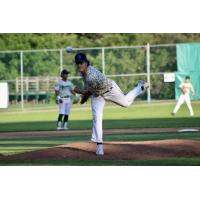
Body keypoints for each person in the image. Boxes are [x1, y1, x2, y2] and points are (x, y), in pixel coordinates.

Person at [73, 53, 149, 156]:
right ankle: (99, 145)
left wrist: (77, 91)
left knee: (126, 103)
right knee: (97, 117)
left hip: (110, 90)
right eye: (77, 63)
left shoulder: (91, 76)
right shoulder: (83, 72)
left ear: (86, 63)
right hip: (97, 94)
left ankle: (140, 87)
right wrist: (83, 97)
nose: (79, 65)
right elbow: (89, 90)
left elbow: (88, 92)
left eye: (81, 63)